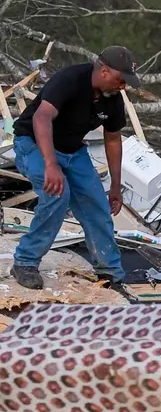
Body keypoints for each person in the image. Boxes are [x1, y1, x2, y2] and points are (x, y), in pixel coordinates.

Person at [8, 46, 140, 290]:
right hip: (34, 143)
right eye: (121, 80)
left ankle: (109, 272)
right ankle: (25, 262)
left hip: (72, 151)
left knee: (96, 204)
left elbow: (113, 139)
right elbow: (41, 118)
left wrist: (115, 186)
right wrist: (51, 165)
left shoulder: (112, 99)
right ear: (104, 71)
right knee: (57, 194)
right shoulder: (70, 80)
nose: (123, 87)